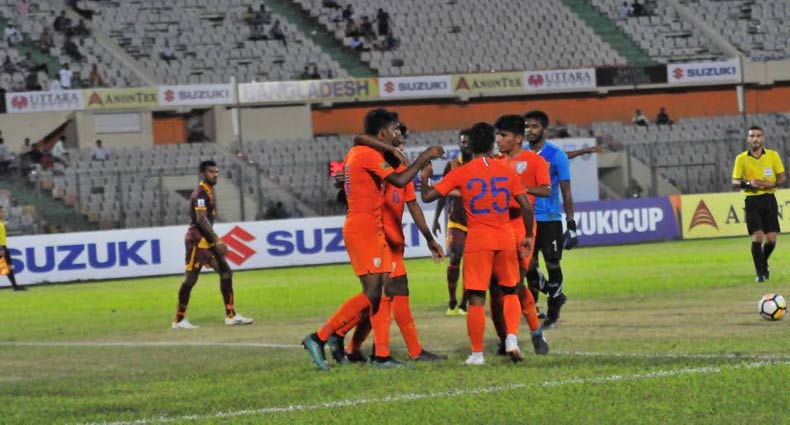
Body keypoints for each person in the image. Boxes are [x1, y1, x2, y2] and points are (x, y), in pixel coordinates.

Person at [301, 108, 443, 370]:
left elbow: (362, 144)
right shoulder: (367, 154)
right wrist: (424, 157)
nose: (397, 135)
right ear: (382, 132)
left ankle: (375, 353)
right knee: (374, 293)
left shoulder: (367, 153)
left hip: (373, 229)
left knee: (382, 293)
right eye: (394, 129)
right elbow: (398, 179)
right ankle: (322, 336)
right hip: (365, 229)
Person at [421, 122, 534, 365]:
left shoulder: (461, 172)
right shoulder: (507, 170)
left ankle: (477, 354)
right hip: (505, 237)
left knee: (476, 297)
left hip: (478, 239)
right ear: (492, 144)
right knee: (510, 291)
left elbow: (428, 196)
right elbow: (526, 205)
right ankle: (511, 339)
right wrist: (528, 235)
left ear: (470, 145)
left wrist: (425, 177)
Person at [341, 116, 447, 363]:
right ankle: (367, 348)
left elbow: (413, 205)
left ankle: (358, 348)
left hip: (394, 241)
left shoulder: (401, 171)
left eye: (402, 139)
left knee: (389, 294)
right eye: (397, 138)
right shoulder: (378, 166)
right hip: (377, 238)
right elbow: (359, 140)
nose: (401, 144)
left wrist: (429, 238)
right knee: (380, 296)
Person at [490, 114, 551, 355]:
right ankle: (505, 337)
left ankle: (527, 335)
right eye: (497, 135)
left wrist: (520, 189)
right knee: (498, 286)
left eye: (503, 135)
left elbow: (546, 190)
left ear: (517, 138)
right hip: (498, 226)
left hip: (522, 226)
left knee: (514, 284)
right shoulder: (494, 163)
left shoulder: (534, 161)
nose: (498, 140)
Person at [173, 160, 254, 329]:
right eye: (211, 171)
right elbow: (201, 219)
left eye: (216, 171)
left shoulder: (208, 191)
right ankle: (179, 321)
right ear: (203, 173)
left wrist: (213, 241)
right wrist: (217, 240)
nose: (214, 174)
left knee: (226, 272)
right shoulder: (200, 193)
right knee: (190, 279)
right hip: (197, 242)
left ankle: (231, 315)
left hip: (206, 241)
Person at [525, 110, 576, 330]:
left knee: (552, 264)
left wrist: (571, 223)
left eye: (534, 126)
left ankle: (552, 315)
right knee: (527, 266)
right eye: (527, 126)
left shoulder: (556, 155)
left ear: (543, 129)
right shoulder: (521, 155)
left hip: (550, 218)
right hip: (526, 218)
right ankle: (554, 293)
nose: (529, 130)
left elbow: (566, 191)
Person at [731, 126, 786, 283]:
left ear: (763, 138)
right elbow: (735, 182)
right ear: (748, 139)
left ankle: (763, 261)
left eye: (758, 136)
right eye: (752, 136)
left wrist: (771, 184)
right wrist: (749, 184)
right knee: (758, 235)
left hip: (769, 198)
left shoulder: (773, 155)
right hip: (752, 200)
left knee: (772, 239)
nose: (755, 139)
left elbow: (782, 177)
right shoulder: (741, 158)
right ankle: (760, 274)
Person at [431, 129, 472, 316]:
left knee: (471, 264)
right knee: (455, 257)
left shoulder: (479, 165)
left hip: (476, 222)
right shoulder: (452, 165)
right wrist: (436, 218)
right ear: (459, 144)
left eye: (468, 141)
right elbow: (442, 192)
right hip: (456, 221)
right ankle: (452, 301)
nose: (465, 145)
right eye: (463, 142)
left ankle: (464, 303)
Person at [0, 206, 26, 291]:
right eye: (1, 212)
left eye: (3, 212)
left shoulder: (1, 223)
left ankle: (15, 286)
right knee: (7, 267)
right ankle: (15, 286)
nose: (3, 214)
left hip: (3, 247)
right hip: (1, 247)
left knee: (8, 267)